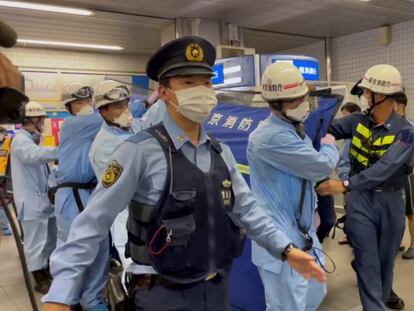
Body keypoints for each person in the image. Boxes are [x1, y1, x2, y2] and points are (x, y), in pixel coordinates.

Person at [42, 36, 326, 311]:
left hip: (215, 289)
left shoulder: (219, 153)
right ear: (164, 92)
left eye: (206, 82)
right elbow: (92, 222)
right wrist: (61, 293)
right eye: (188, 83)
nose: (201, 90)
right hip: (160, 293)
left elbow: (247, 209)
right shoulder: (139, 151)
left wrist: (286, 250)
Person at [316, 64, 414, 311]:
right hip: (360, 202)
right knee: (366, 261)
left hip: (390, 202)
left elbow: (386, 168)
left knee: (384, 262)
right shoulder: (356, 121)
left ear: (382, 96)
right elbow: (324, 128)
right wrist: (316, 120)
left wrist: (345, 184)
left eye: (368, 92)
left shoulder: (407, 132)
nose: (364, 96)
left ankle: (380, 298)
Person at [248, 62, 339, 311]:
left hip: (302, 231)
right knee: (287, 305)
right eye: (293, 101)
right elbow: (320, 165)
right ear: (275, 104)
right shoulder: (270, 136)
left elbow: (302, 178)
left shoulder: (293, 130)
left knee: (313, 293)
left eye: (303, 97)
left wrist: (313, 211)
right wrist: (330, 144)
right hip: (280, 235)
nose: (302, 104)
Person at [54, 83, 107, 311]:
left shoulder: (83, 128)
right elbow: (113, 116)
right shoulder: (78, 124)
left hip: (78, 195)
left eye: (88, 101)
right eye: (79, 102)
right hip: (76, 196)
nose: (85, 106)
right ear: (70, 107)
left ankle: (75, 301)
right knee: (92, 248)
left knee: (77, 249)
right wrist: (146, 102)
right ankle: (92, 302)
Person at [89, 80, 145, 267]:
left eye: (126, 104)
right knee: (135, 275)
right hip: (126, 219)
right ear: (103, 111)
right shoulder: (103, 146)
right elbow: (125, 185)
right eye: (117, 106)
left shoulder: (135, 127)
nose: (125, 110)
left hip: (148, 215)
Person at [10, 101, 58, 293]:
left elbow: (43, 166)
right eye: (42, 119)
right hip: (30, 202)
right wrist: (61, 151)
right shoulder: (20, 140)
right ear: (34, 119)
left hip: (42, 201)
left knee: (48, 239)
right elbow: (35, 156)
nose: (43, 122)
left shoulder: (31, 139)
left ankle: (46, 269)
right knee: (36, 241)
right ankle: (39, 277)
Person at [336, 102, 362, 245]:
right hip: (349, 180)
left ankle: (353, 237)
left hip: (351, 182)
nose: (342, 120)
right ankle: (350, 235)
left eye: (345, 116)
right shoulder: (348, 137)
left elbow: (346, 161)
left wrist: (345, 182)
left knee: (353, 211)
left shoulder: (354, 137)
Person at [392, 91, 414, 260]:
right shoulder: (390, 125)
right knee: (395, 212)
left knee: (410, 212)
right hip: (391, 177)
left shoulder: (409, 127)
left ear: (400, 106)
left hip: (408, 175)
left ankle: (413, 245)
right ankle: (396, 242)